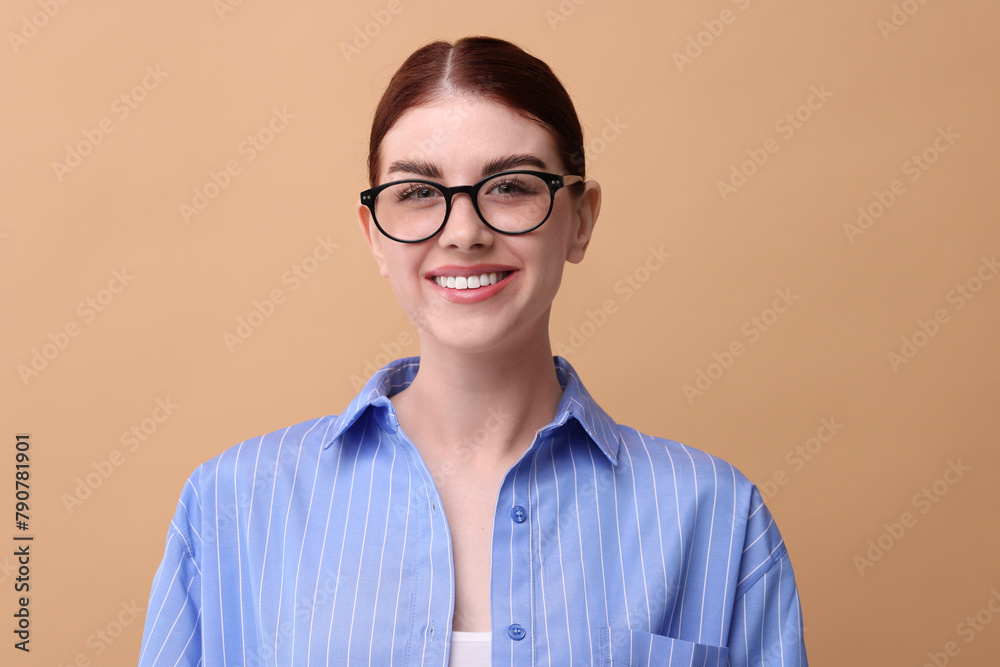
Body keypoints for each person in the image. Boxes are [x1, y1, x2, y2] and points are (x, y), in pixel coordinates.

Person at [139, 36, 808, 666]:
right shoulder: (230, 506)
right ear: (374, 233)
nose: (463, 233)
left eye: (511, 186)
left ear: (581, 218)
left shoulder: (718, 516)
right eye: (419, 194)